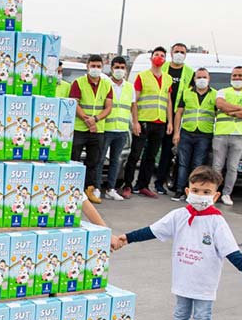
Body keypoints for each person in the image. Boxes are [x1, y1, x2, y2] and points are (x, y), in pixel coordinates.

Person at [110, 166, 242, 320]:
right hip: (183, 279)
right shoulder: (179, 215)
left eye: (206, 192)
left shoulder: (216, 222)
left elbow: (230, 250)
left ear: (216, 195)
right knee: (180, 315)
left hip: (204, 283)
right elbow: (153, 230)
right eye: (196, 190)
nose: (200, 195)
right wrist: (127, 238)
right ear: (187, 191)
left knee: (202, 319)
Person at [124, 46, 174, 198]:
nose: (159, 57)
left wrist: (170, 122)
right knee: (135, 154)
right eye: (157, 54)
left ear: (165, 59)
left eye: (162, 55)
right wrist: (135, 121)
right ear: (152, 58)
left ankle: (143, 185)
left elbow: (168, 101)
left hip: (160, 122)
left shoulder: (167, 78)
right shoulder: (142, 76)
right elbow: (135, 101)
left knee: (151, 156)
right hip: (144, 121)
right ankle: (127, 185)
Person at [68, 54, 112, 204]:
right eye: (93, 66)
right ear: (87, 67)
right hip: (80, 128)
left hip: (97, 130)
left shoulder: (107, 85)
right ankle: (71, 189)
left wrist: (96, 120)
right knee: (74, 160)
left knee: (94, 161)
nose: (95, 69)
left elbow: (108, 107)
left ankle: (89, 190)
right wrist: (88, 120)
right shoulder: (78, 83)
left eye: (98, 66)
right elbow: (74, 104)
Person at [210, 66, 242, 206]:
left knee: (232, 167)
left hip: (239, 135)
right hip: (221, 133)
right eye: (235, 76)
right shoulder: (222, 92)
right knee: (217, 166)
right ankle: (212, 193)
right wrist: (240, 109)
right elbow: (220, 104)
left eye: (240, 76)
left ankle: (226, 194)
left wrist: (231, 110)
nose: (237, 78)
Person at [171, 69, 217, 202]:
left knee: (197, 165)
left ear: (209, 78)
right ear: (194, 79)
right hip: (187, 132)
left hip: (204, 134)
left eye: (204, 77)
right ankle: (180, 190)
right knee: (183, 163)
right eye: (199, 77)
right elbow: (179, 113)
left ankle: (193, 192)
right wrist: (176, 132)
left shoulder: (215, 94)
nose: (201, 79)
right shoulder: (187, 93)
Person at [100, 56, 133, 201]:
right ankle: (95, 188)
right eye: (116, 67)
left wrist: (135, 123)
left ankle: (111, 189)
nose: (119, 70)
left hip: (122, 129)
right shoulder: (105, 84)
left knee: (116, 161)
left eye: (122, 68)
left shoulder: (129, 87)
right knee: (100, 160)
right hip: (106, 128)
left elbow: (133, 106)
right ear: (111, 69)